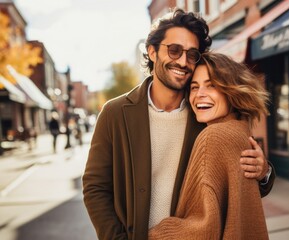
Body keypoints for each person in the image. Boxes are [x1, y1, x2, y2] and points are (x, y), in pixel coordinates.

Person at [82, 8, 274, 240]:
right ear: (152, 52)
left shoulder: (205, 115)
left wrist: (264, 172)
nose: (183, 61)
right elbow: (95, 187)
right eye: (174, 50)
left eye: (192, 54)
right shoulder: (115, 113)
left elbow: (234, 187)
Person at [148, 52, 269, 239]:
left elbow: (204, 230)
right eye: (194, 88)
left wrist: (153, 234)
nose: (199, 95)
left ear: (231, 92)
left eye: (211, 85)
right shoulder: (241, 131)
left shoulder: (213, 136)